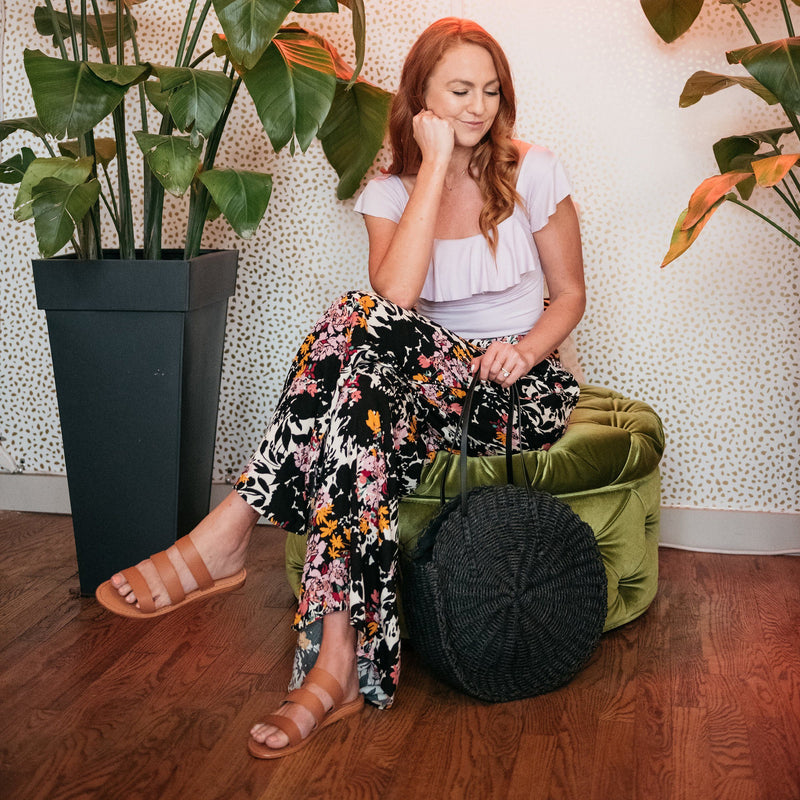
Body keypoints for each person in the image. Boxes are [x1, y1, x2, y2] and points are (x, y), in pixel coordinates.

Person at [95, 17, 585, 758]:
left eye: (491, 91)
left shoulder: (533, 170)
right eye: (459, 90)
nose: (479, 107)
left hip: (515, 389)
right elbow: (399, 294)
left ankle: (232, 529)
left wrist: (523, 350)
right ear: (420, 97)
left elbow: (570, 295)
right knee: (358, 416)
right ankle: (337, 665)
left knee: (355, 319)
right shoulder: (388, 191)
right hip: (418, 390)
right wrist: (432, 166)